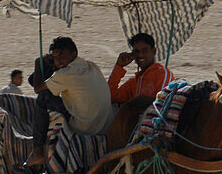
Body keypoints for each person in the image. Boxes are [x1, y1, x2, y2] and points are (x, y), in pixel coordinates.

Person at [28, 36, 111, 166]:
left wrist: (38, 62)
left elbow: (38, 88)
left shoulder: (66, 73)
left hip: (83, 127)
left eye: (62, 56)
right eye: (55, 57)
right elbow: (34, 80)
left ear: (74, 54)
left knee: (43, 98)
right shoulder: (90, 65)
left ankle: (37, 152)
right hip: (103, 124)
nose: (58, 60)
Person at [108, 32, 176, 104]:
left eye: (144, 51)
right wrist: (119, 66)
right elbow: (111, 97)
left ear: (153, 51)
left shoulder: (162, 74)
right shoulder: (134, 82)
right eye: (136, 52)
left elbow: (162, 101)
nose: (140, 55)